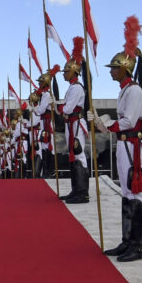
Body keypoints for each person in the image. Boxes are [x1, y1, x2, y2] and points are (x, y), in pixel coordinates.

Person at [93, 16, 142, 263]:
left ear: (125, 68)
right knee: (127, 192)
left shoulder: (135, 91)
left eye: (114, 67)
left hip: (131, 145)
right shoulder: (125, 91)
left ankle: (137, 246)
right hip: (124, 144)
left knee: (135, 193)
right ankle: (127, 240)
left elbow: (129, 121)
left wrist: (106, 125)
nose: (112, 71)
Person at [59, 38, 89, 203]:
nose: (64, 73)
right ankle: (75, 190)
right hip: (71, 124)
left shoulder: (77, 87)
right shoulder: (71, 87)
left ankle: (82, 192)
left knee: (79, 156)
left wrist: (59, 109)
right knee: (74, 156)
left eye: (66, 71)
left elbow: (68, 109)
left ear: (74, 71)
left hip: (76, 124)